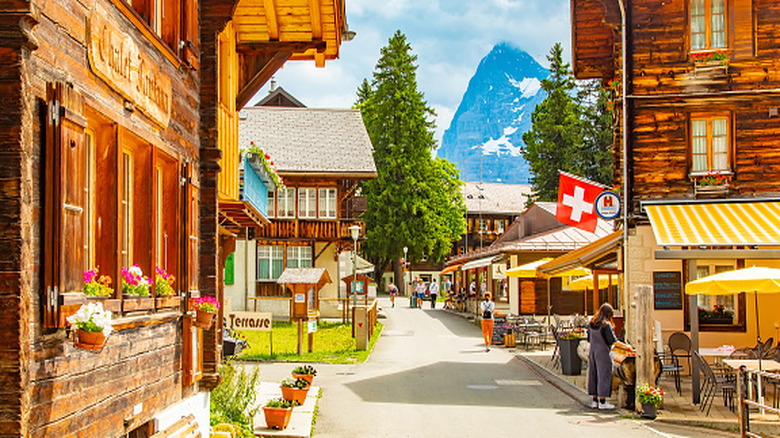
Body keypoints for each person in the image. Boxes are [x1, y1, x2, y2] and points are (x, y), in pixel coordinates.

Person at [587, 303, 618, 410]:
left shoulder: (592, 323)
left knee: (593, 374)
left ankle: (594, 401)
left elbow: (589, 339)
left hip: (592, 351)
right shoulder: (606, 325)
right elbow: (613, 340)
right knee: (603, 375)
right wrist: (626, 347)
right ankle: (602, 401)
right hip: (603, 352)